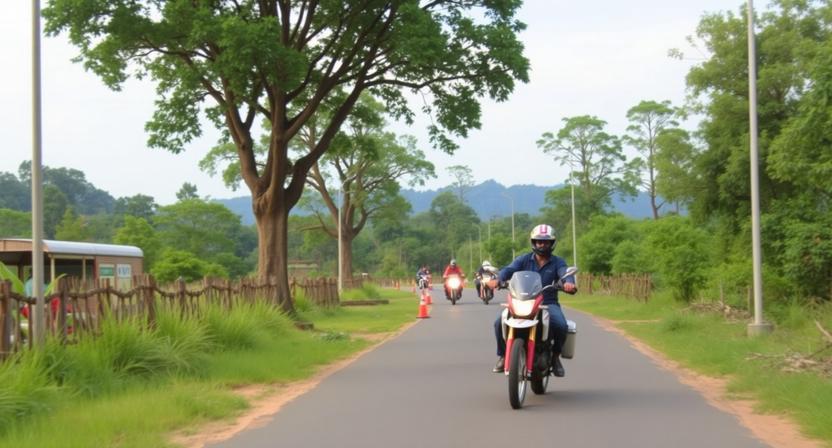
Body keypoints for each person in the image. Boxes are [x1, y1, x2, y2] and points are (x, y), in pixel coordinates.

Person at [488, 224, 576, 376]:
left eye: (546, 242)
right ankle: (503, 356)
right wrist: (498, 279)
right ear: (533, 243)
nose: (542, 245)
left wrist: (569, 283)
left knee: (561, 325)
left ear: (552, 243)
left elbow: (565, 273)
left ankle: (555, 358)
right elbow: (508, 270)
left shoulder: (557, 262)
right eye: (539, 241)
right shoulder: (523, 259)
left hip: (547, 304)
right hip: (522, 301)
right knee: (498, 323)